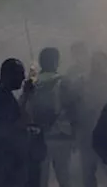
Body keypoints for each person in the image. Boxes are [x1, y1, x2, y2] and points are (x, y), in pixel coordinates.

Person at [25, 47, 78, 187]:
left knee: (41, 179)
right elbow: (72, 107)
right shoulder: (63, 81)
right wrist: (75, 134)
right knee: (64, 177)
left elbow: (26, 109)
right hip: (61, 135)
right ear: (56, 61)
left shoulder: (32, 83)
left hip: (39, 138)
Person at [0, 58, 32, 187]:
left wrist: (26, 94)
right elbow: (11, 125)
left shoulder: (4, 94)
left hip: (8, 161)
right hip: (5, 162)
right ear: (8, 75)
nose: (23, 78)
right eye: (19, 73)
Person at [79, 51, 107, 187]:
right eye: (94, 63)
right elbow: (74, 107)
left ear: (106, 65)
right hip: (87, 135)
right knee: (88, 174)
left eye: (100, 63)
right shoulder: (82, 82)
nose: (96, 66)